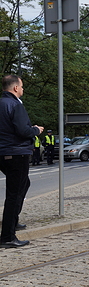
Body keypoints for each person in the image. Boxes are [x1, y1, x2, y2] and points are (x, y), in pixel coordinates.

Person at [0, 75, 44, 248]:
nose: (23, 89)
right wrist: (35, 130)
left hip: (3, 152)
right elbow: (22, 130)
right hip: (17, 153)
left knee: (23, 185)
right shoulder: (15, 104)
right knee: (14, 194)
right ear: (16, 88)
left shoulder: (1, 103)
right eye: (22, 86)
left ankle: (13, 221)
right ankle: (8, 236)